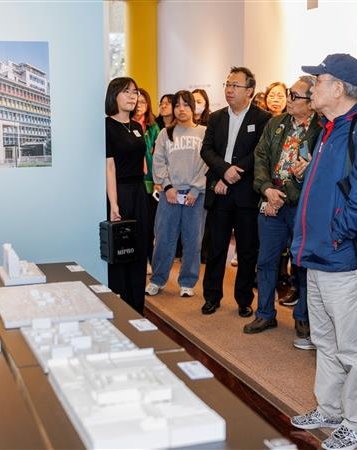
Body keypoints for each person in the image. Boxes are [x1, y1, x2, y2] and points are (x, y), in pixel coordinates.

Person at [289, 54, 357, 450]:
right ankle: (330, 408)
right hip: (317, 255)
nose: (311, 87)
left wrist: (336, 235)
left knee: (355, 347)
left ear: (338, 87)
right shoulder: (331, 127)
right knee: (325, 340)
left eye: (318, 80)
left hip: (339, 255)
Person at [244, 76, 321, 353]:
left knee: (301, 265)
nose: (288, 99)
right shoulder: (276, 124)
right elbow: (261, 157)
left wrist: (283, 193)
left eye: (295, 96)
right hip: (270, 201)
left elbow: (318, 172)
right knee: (266, 261)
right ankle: (265, 313)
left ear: (311, 102)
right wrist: (266, 189)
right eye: (288, 93)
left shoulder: (321, 129)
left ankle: (303, 318)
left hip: (300, 206)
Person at [200, 67, 271, 317]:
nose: (229, 90)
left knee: (247, 249)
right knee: (216, 247)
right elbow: (206, 150)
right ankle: (211, 296)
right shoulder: (216, 117)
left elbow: (260, 153)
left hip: (246, 193)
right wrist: (224, 171)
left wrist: (235, 171)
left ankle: (243, 299)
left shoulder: (262, 119)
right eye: (227, 85)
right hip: (219, 190)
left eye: (235, 86)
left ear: (249, 91)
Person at [145, 91, 208, 298]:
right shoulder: (165, 133)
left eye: (186, 105)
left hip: (195, 195)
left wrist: (196, 188)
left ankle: (187, 282)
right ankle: (157, 279)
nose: (181, 109)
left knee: (193, 240)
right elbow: (159, 161)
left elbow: (208, 164)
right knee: (164, 238)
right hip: (169, 194)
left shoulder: (204, 133)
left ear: (193, 108)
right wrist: (167, 186)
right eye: (177, 105)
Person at [105, 77, 148, 314]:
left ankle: (137, 307)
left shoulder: (138, 127)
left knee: (139, 248)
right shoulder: (106, 126)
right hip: (119, 192)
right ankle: (119, 307)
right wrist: (113, 202)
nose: (133, 96)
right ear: (114, 96)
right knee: (120, 249)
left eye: (135, 92)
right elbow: (109, 167)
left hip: (139, 192)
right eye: (127, 92)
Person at [132, 88, 161, 272]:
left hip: (151, 181)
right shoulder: (126, 124)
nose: (140, 104)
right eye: (137, 101)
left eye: (144, 101)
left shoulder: (153, 127)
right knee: (134, 224)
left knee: (149, 225)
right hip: (133, 180)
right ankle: (137, 260)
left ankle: (150, 260)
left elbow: (158, 156)